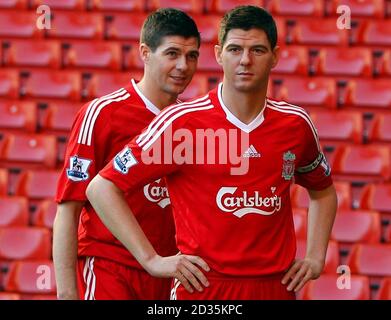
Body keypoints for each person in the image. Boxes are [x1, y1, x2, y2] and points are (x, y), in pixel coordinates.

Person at [86, 5, 338, 300]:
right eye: (234, 49)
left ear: (275, 56)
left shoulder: (295, 124)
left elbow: (323, 191)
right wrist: (151, 260)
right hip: (203, 290)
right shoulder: (182, 123)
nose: (245, 60)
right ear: (219, 54)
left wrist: (315, 257)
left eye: (257, 50)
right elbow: (102, 187)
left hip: (275, 287)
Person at [53, 8, 201, 300]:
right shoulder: (102, 114)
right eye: (172, 54)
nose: (183, 66)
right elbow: (67, 212)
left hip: (170, 274)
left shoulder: (192, 123)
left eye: (192, 56)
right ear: (145, 53)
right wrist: (67, 293)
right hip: (111, 268)